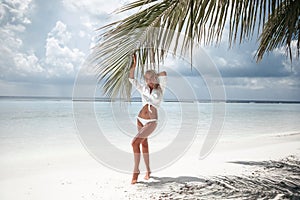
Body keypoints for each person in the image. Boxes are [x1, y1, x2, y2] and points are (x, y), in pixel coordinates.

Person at [129, 53, 167, 184]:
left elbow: (164, 73)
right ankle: (148, 170)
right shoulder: (144, 88)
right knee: (143, 144)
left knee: (134, 143)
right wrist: (134, 64)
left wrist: (156, 76)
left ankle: (136, 171)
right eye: (146, 79)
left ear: (155, 78)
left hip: (151, 121)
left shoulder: (161, 89)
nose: (148, 81)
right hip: (140, 119)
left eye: (151, 78)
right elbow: (132, 79)